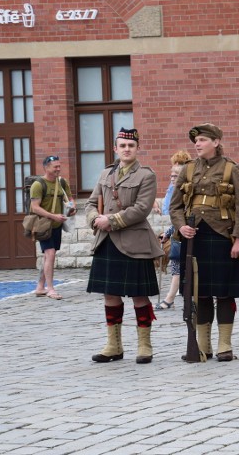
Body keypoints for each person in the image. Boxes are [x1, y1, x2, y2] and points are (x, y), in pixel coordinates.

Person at [169, 123, 239, 362]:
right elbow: (175, 205)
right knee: (199, 293)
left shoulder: (231, 169)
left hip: (222, 237)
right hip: (194, 238)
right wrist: (180, 225)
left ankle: (225, 345)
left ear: (216, 142)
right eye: (196, 141)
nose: (198, 144)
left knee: (225, 293)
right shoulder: (187, 169)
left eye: (203, 140)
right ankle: (202, 346)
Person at [86, 128, 165, 364]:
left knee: (139, 296)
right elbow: (91, 203)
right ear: (115, 149)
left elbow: (141, 208)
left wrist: (110, 220)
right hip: (107, 242)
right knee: (110, 294)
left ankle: (144, 346)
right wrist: (94, 219)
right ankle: (113, 346)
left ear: (137, 148)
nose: (127, 149)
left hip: (134, 242)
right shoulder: (105, 174)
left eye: (131, 146)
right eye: (122, 146)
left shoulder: (146, 175)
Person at [30, 154, 76, 300]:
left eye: (59, 166)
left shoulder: (62, 182)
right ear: (46, 167)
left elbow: (69, 199)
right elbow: (35, 207)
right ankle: (50, 289)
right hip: (43, 225)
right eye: (55, 166)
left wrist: (72, 207)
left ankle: (40, 287)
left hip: (57, 224)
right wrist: (53, 215)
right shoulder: (38, 185)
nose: (58, 169)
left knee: (49, 255)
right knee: (50, 254)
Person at [156, 150, 191, 310]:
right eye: (171, 175)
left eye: (175, 176)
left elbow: (183, 215)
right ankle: (170, 298)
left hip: (190, 234)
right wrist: (168, 233)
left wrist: (169, 232)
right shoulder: (174, 191)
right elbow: (174, 217)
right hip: (178, 235)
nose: (172, 179)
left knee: (195, 268)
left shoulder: (188, 191)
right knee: (176, 266)